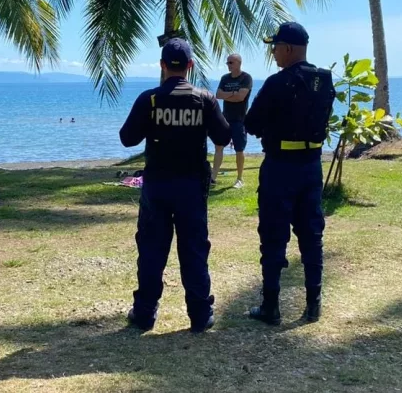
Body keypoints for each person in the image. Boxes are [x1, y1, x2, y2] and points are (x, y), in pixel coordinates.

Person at [119, 38, 231, 333]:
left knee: (152, 249)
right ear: (190, 67)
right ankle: (199, 314)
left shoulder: (150, 99)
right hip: (192, 187)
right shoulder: (205, 99)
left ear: (162, 66)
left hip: (157, 186)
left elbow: (127, 138)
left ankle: (144, 313)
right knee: (193, 248)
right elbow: (223, 137)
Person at [244, 22, 336, 325]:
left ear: (287, 48)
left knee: (273, 235)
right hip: (311, 165)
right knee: (311, 234)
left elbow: (252, 124)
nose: (273, 54)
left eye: (275, 48)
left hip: (280, 166)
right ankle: (314, 303)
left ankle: (271, 305)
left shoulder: (277, 83)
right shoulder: (323, 81)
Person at [212, 54, 253, 189]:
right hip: (225, 118)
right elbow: (218, 95)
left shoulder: (246, 78)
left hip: (239, 119)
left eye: (231, 62)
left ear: (238, 63)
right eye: (227, 63)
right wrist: (233, 94)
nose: (228, 65)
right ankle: (213, 177)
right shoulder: (225, 78)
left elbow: (241, 97)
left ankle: (239, 178)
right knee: (219, 146)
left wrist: (229, 95)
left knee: (239, 149)